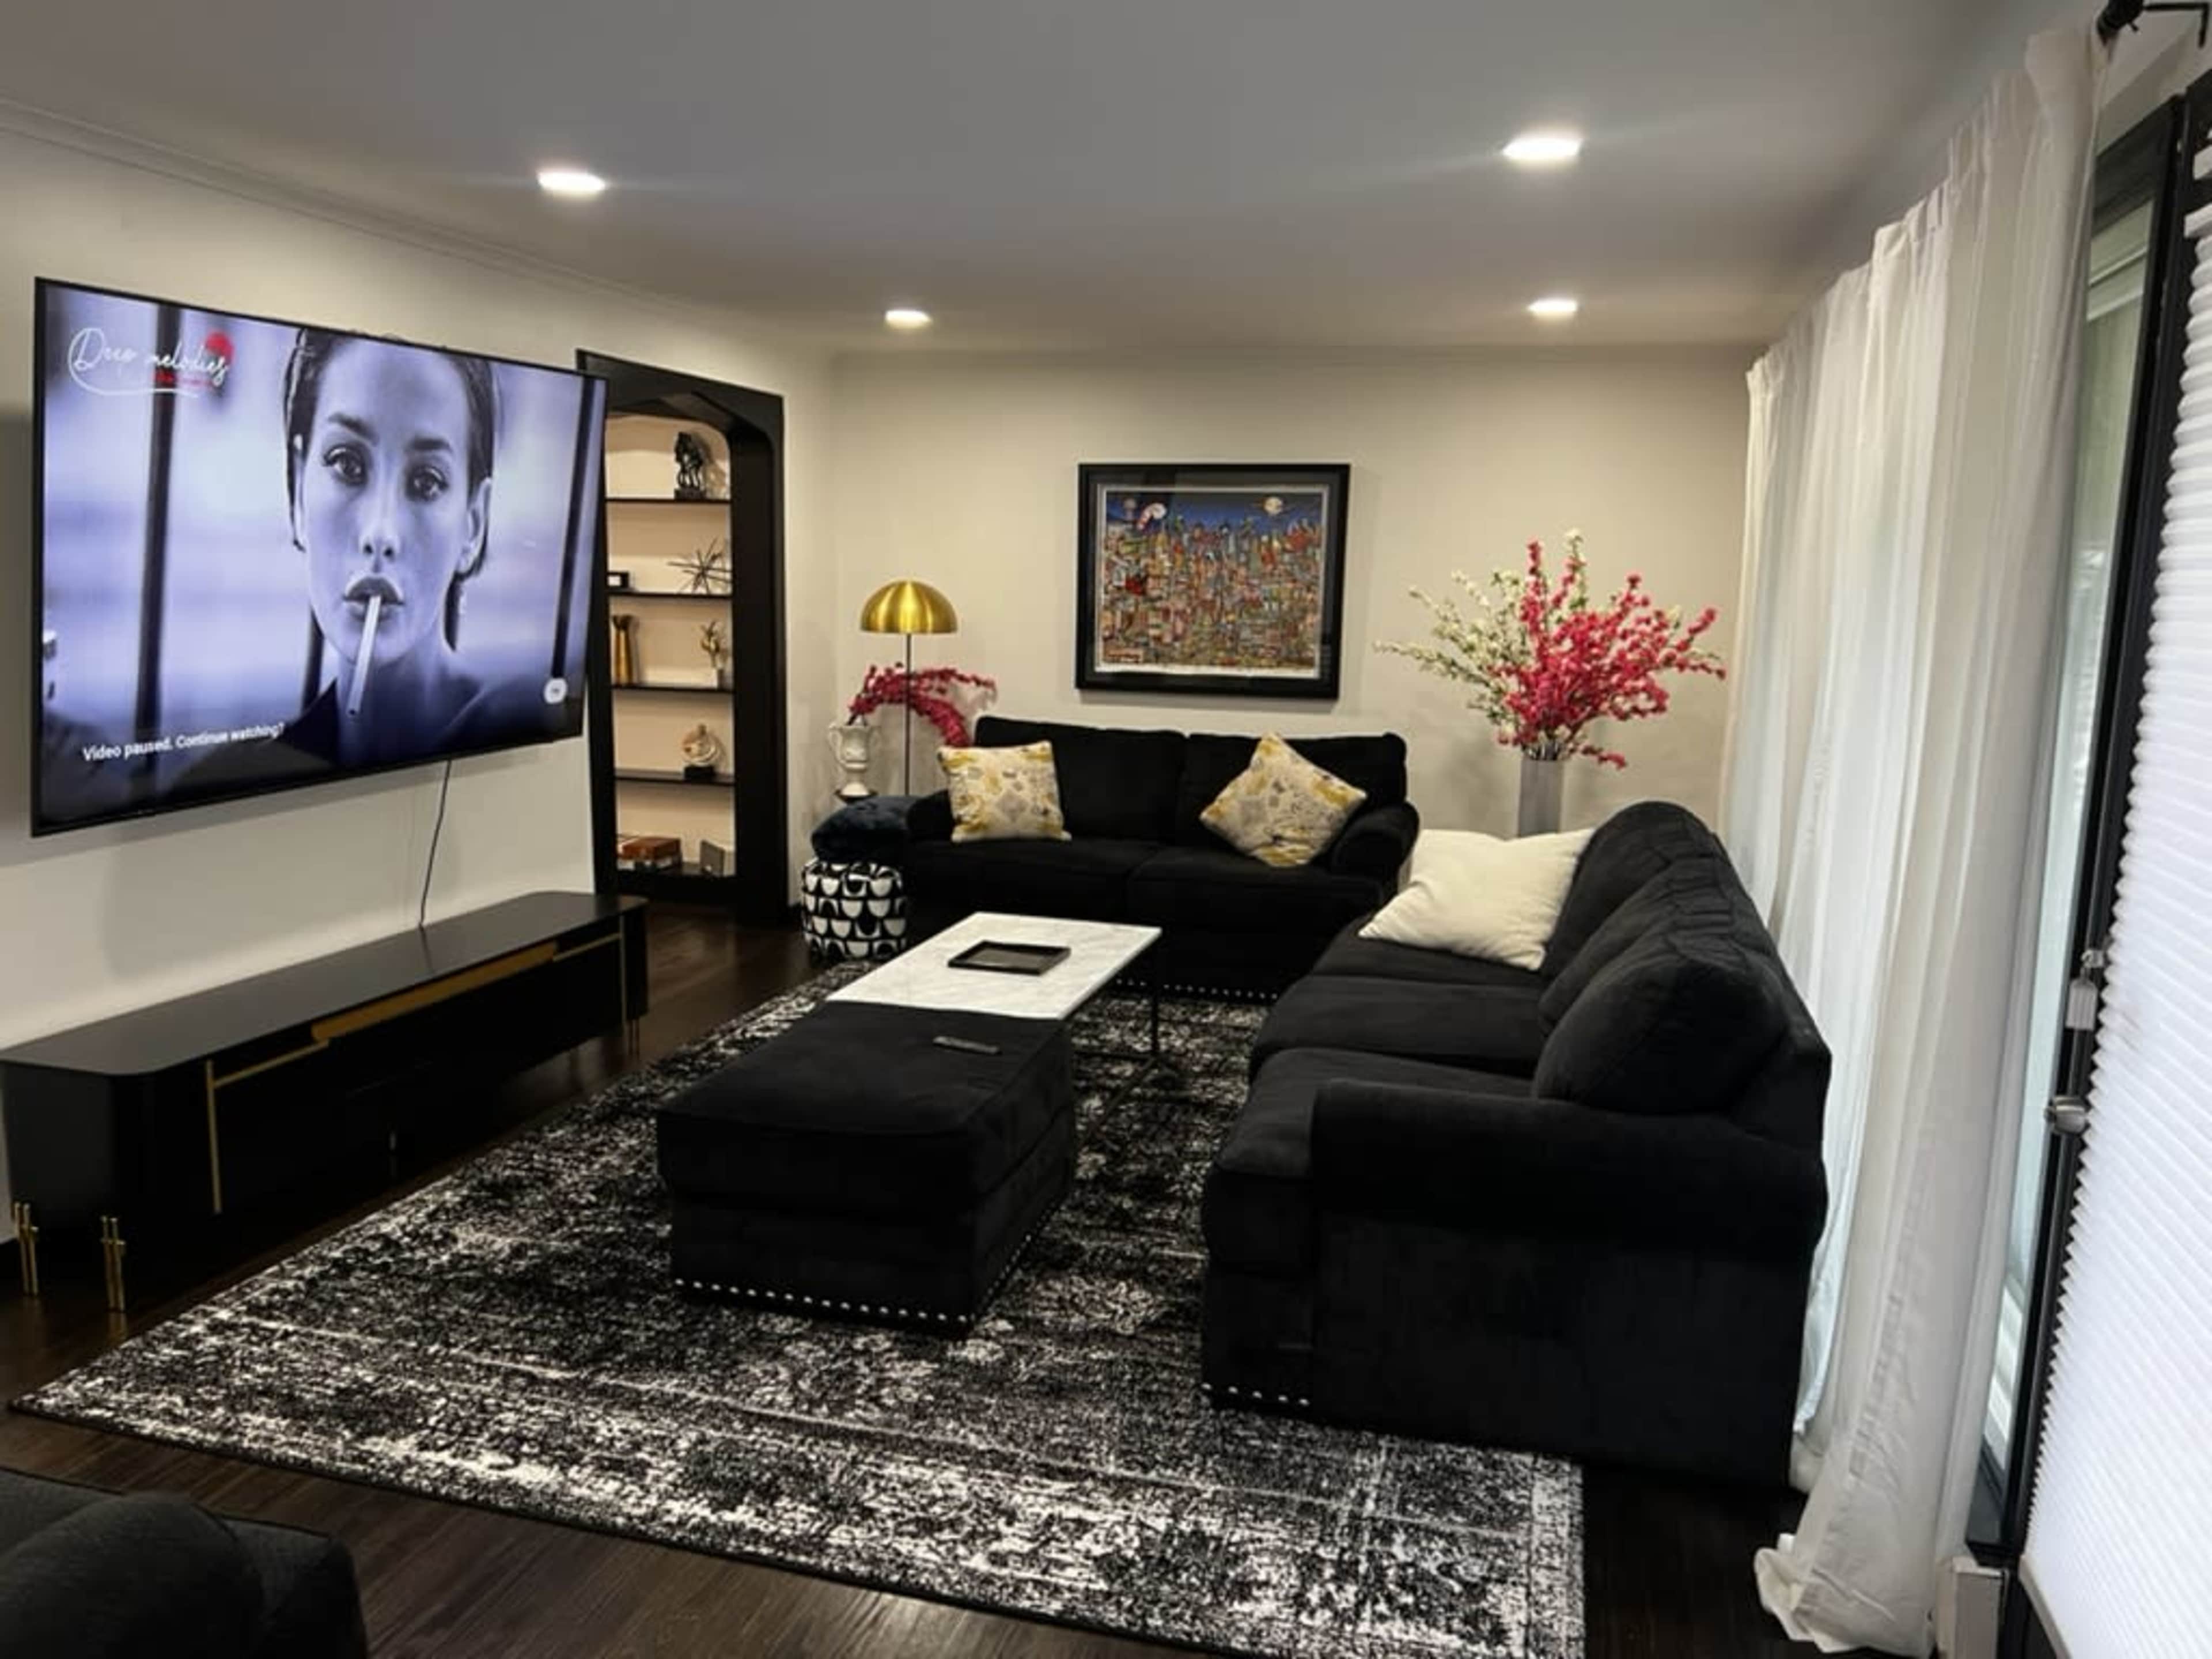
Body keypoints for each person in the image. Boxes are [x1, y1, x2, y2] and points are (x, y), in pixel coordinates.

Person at [276, 329, 546, 768]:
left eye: (426, 482)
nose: (381, 533)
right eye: (347, 463)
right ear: (298, 488)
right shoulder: (237, 772)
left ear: (473, 523)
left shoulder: (522, 721)